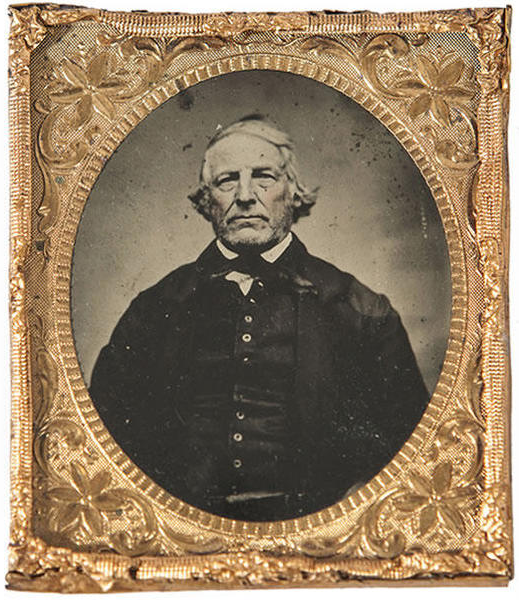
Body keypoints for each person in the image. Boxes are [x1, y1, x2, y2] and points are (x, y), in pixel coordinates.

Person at [90, 115, 429, 522]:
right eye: (227, 180)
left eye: (264, 177)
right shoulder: (155, 310)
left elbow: (413, 449)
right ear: (206, 200)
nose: (246, 196)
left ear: (293, 193)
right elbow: (101, 441)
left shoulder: (360, 310)